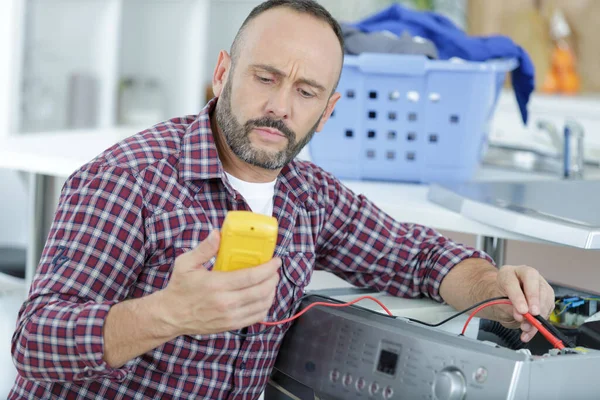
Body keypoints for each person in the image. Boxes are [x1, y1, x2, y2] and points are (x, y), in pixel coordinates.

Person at [10, 1, 555, 399]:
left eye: (306, 91)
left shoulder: (309, 196)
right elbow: (33, 341)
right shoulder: (130, 178)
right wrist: (167, 313)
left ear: (329, 108)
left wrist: (495, 288)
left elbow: (415, 255)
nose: (280, 107)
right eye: (265, 77)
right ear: (222, 74)